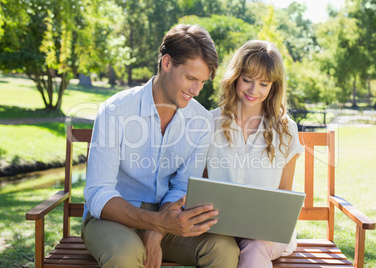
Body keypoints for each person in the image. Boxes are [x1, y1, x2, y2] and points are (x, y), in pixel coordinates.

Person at [82, 24, 240, 268]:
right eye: (190, 78)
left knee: (223, 249)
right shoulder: (116, 110)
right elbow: (98, 192)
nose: (196, 90)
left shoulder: (201, 122)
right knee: (125, 255)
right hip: (113, 219)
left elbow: (181, 186)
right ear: (167, 63)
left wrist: (157, 230)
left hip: (168, 219)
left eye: (202, 82)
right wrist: (156, 222)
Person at [206, 40, 304, 268]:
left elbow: (283, 196)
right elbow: (201, 185)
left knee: (255, 246)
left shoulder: (286, 129)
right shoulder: (209, 122)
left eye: (263, 84)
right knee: (223, 249)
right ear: (235, 77)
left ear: (274, 87)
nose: (253, 90)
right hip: (220, 229)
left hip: (267, 233)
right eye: (247, 80)